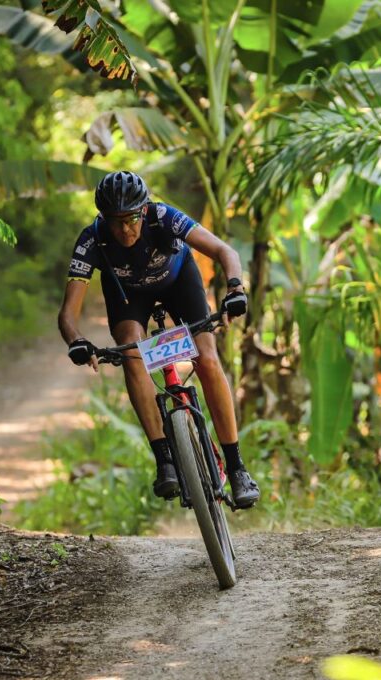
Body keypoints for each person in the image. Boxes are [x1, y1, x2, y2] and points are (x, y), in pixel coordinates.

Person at [57, 171, 261, 508]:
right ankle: (165, 459)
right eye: (116, 221)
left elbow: (225, 251)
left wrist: (236, 287)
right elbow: (67, 314)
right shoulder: (91, 240)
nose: (126, 229)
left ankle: (237, 468)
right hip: (129, 296)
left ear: (145, 210)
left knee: (207, 359)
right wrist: (76, 340)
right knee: (134, 353)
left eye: (132, 218)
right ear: (103, 219)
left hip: (179, 281)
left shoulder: (163, 216)